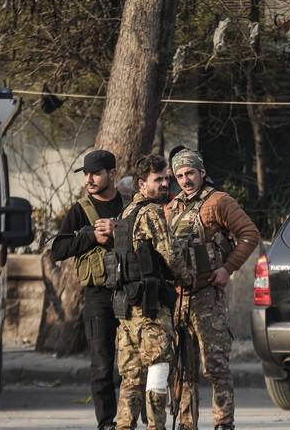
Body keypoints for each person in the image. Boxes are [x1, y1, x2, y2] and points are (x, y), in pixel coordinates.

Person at [165, 149, 261, 430]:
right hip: (179, 299)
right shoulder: (172, 208)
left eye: (190, 173)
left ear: (202, 173)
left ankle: (223, 423)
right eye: (180, 175)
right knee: (183, 368)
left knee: (216, 366)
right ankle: (186, 424)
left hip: (208, 297)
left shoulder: (218, 201)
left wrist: (227, 268)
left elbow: (250, 234)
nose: (186, 180)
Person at [111, 154, 189, 430]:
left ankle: (124, 426)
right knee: (158, 369)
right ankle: (156, 426)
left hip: (126, 310)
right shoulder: (150, 212)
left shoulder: (124, 215)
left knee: (130, 379)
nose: (165, 184)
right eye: (159, 180)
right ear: (142, 185)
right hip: (150, 309)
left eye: (167, 178)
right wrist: (187, 278)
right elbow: (170, 255)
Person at [51, 149, 123, 430]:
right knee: (103, 366)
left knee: (137, 363)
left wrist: (120, 230)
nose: (89, 179)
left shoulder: (130, 205)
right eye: (86, 174)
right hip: (98, 296)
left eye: (96, 173)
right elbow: (58, 249)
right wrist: (92, 236)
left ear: (112, 174)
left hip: (131, 293)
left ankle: (134, 418)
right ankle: (107, 423)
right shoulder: (80, 210)